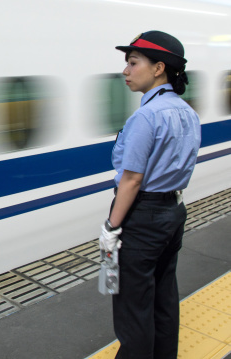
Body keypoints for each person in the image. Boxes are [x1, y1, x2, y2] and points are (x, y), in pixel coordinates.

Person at [99, 31, 201, 359]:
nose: (125, 71)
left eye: (132, 63)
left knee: (133, 308)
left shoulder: (146, 116)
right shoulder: (186, 110)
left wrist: (112, 228)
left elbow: (131, 180)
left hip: (142, 218)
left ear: (158, 68)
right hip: (173, 212)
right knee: (163, 299)